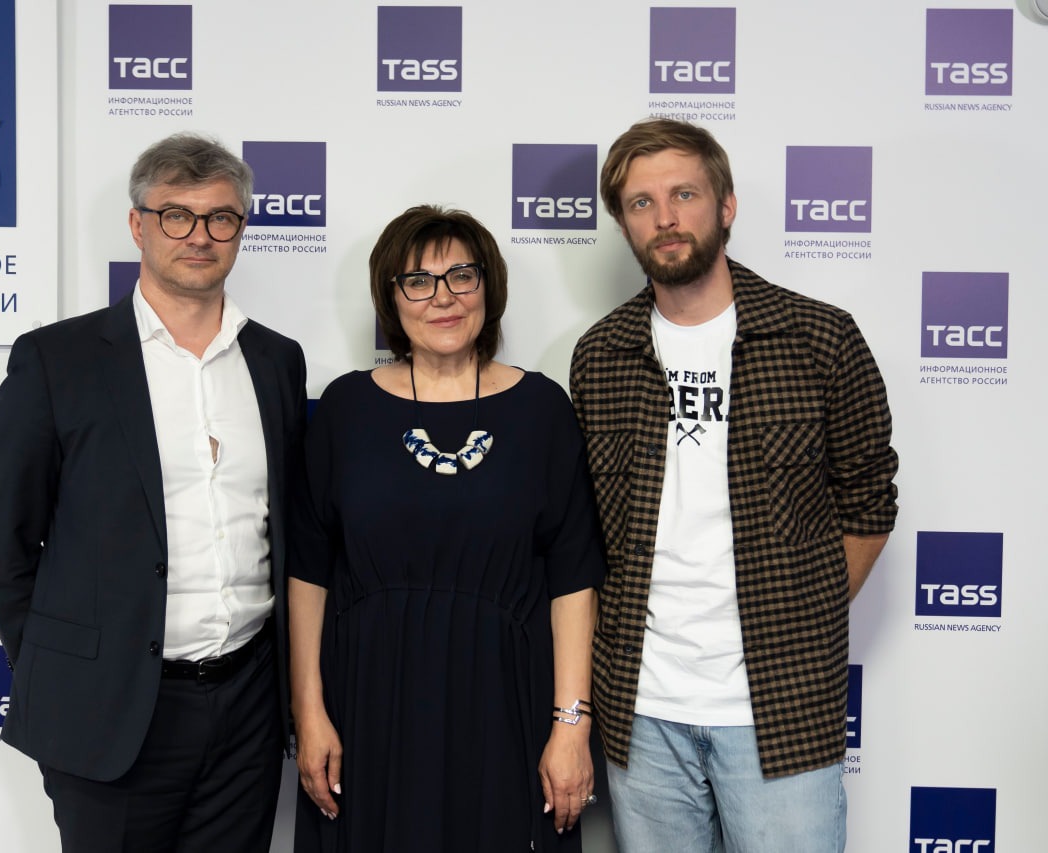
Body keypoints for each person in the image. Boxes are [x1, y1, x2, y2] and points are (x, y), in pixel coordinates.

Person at [0, 133, 307, 852]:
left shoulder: (277, 360)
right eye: (176, 215)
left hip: (249, 704)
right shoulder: (58, 359)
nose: (200, 235)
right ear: (138, 225)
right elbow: (2, 541)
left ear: (241, 229)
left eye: (221, 217)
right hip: (110, 709)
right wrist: (65, 669)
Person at [571, 117, 898, 852]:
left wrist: (800, 613)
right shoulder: (600, 356)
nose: (666, 217)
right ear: (623, 224)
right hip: (642, 711)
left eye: (684, 194)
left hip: (781, 707)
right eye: (642, 202)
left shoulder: (818, 340)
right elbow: (589, 528)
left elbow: (869, 503)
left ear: (726, 205)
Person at [289, 205, 604, 852]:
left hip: (504, 706)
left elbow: (573, 579)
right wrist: (309, 710)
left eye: (462, 275)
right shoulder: (346, 407)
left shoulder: (542, 408)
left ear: (489, 287)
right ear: (390, 297)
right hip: (367, 707)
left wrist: (572, 724)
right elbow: (308, 572)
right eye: (418, 281)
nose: (443, 298)